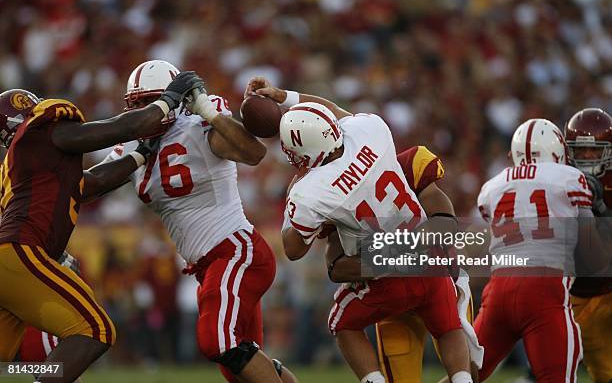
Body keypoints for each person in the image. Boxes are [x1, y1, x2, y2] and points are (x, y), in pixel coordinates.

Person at [246, 77, 474, 383]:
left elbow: (293, 248)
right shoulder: (371, 130)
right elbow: (333, 110)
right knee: (448, 327)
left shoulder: (311, 190)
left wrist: (294, 188)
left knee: (341, 323)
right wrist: (284, 96)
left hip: (384, 268)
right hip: (427, 252)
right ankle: (463, 379)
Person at [94, 60, 297, 383]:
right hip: (207, 267)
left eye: (149, 102)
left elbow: (253, 153)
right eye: (137, 104)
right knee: (238, 367)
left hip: (235, 251)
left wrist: (206, 110)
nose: (143, 111)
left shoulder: (196, 123)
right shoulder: (133, 142)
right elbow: (91, 185)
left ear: (174, 100)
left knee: (217, 341)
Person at [0, 71, 202, 383]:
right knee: (96, 330)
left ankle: (37, 377)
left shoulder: (28, 162)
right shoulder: (39, 132)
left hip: (13, 258)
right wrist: (168, 101)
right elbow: (115, 129)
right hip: (19, 252)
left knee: (9, 363)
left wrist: (141, 154)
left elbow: (90, 184)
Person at [326, 146, 483, 383]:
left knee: (465, 366)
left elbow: (446, 226)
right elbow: (335, 267)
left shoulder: (403, 168)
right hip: (425, 280)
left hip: (401, 285)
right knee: (458, 364)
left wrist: (388, 256)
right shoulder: (340, 192)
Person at [475, 118, 610, 382]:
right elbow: (594, 260)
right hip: (544, 291)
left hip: (498, 291)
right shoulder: (571, 179)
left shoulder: (491, 187)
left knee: (464, 373)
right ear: (559, 151)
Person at [565, 108, 612, 383]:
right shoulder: (560, 180)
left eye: (594, 151)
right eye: (581, 151)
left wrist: (601, 207)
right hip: (579, 294)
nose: (588, 157)